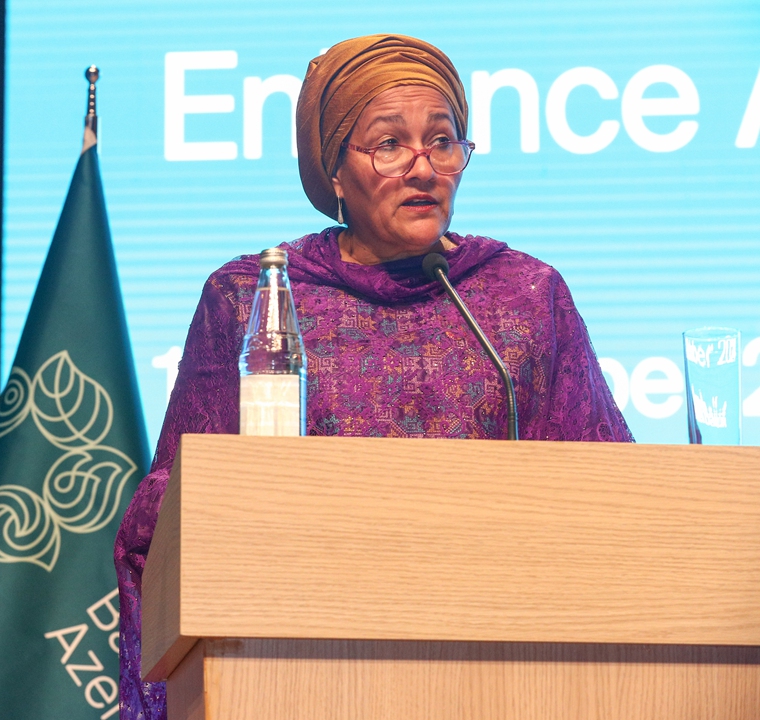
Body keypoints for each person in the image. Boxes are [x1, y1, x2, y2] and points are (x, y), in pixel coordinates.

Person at [113, 34, 633, 719]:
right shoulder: (255, 297)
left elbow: (613, 500)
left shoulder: (523, 295)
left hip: (503, 681)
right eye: (390, 144)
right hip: (291, 678)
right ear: (333, 169)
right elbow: (171, 516)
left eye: (443, 141)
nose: (424, 167)